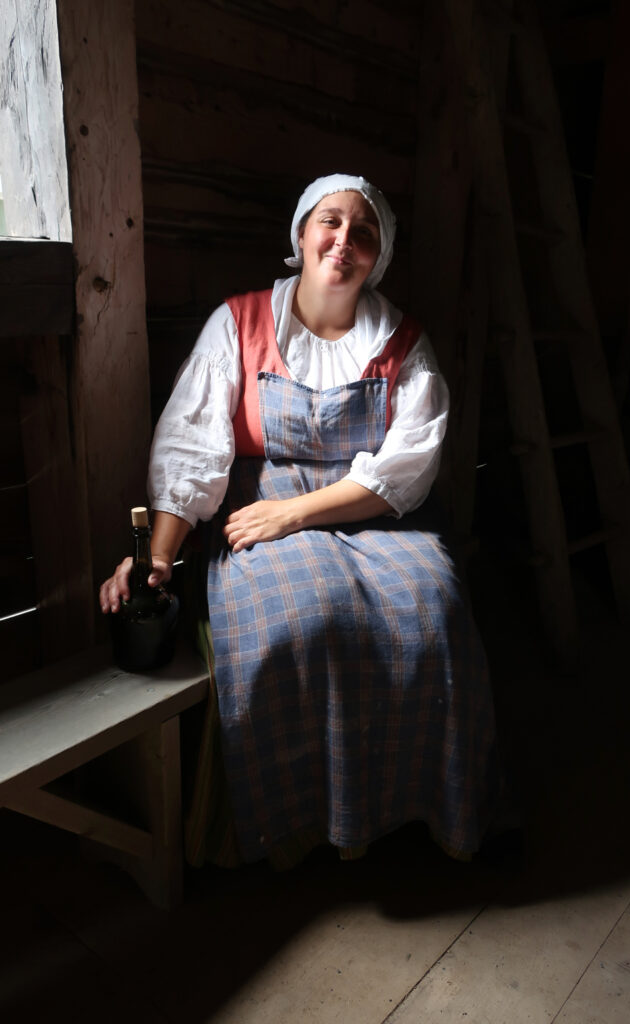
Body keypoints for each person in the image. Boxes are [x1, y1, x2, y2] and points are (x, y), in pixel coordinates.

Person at [100, 172, 500, 867]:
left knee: (432, 609)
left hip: (368, 506)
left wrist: (297, 514)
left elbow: (403, 468)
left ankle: (417, 804)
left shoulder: (403, 342)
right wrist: (160, 556)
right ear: (300, 233)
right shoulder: (241, 322)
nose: (344, 239)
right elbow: (191, 447)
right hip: (261, 493)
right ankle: (298, 823)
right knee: (303, 615)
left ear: (380, 253)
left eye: (363, 231)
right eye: (330, 222)